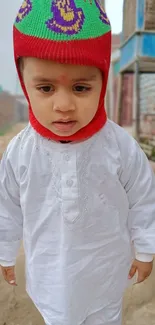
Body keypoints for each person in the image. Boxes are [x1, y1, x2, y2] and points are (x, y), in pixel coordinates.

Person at [0, 1, 155, 324]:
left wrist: (145, 250)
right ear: (25, 85)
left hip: (105, 276)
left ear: (101, 83)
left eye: (81, 88)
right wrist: (5, 253)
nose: (64, 105)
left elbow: (143, 199)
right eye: (45, 88)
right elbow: (7, 207)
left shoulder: (119, 147)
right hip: (49, 279)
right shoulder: (21, 151)